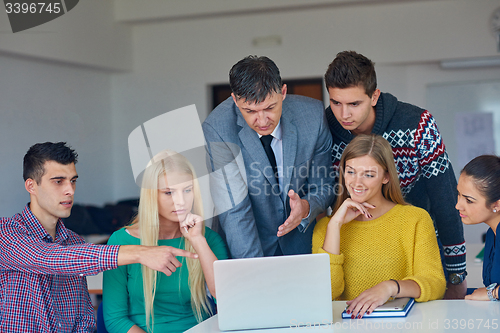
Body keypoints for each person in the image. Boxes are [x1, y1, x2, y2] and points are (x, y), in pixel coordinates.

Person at [0, 142, 198, 332]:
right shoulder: (6, 233)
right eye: (58, 181)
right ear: (31, 186)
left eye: (73, 181)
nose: (70, 190)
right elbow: (49, 258)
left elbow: (84, 318)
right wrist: (140, 253)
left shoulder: (75, 242)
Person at [323, 51, 466, 298]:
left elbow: (445, 198)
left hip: (420, 248)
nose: (343, 114)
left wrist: (456, 273)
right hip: (357, 249)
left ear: (374, 96)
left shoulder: (418, 123)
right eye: (336, 102)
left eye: (354, 104)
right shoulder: (323, 129)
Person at [203, 55, 335, 258]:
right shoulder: (218, 129)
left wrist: (306, 207)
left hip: (301, 247)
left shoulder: (313, 117)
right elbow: (235, 211)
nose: (262, 120)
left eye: (270, 108)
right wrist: (256, 271)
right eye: (250, 111)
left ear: (283, 92)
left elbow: (325, 185)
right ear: (235, 100)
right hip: (246, 247)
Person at [312, 134, 446, 319]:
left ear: (386, 177)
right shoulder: (326, 228)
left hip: (404, 326)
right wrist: (335, 226)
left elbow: (435, 283)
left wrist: (389, 287)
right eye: (350, 172)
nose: (357, 182)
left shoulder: (416, 219)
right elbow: (326, 294)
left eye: (368, 174)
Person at [103, 150, 228, 333]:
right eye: (169, 193)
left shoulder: (209, 239)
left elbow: (225, 299)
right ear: (151, 195)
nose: (181, 201)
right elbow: (115, 319)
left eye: (187, 190)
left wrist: (197, 240)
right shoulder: (121, 241)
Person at [456, 155, 500, 301]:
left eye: (469, 200)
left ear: (497, 205)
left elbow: (491, 291)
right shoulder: (491, 233)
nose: (458, 205)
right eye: (459, 194)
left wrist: (492, 294)